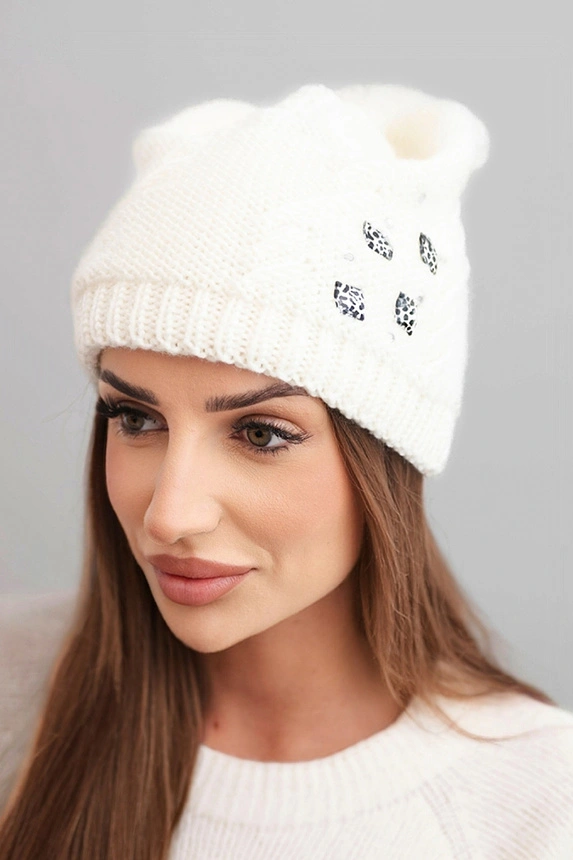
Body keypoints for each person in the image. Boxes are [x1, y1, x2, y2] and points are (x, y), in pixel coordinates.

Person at [0, 82, 571, 860]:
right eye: (135, 419)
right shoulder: (18, 696)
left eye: (260, 433)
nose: (170, 514)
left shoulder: (537, 804)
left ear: (384, 456)